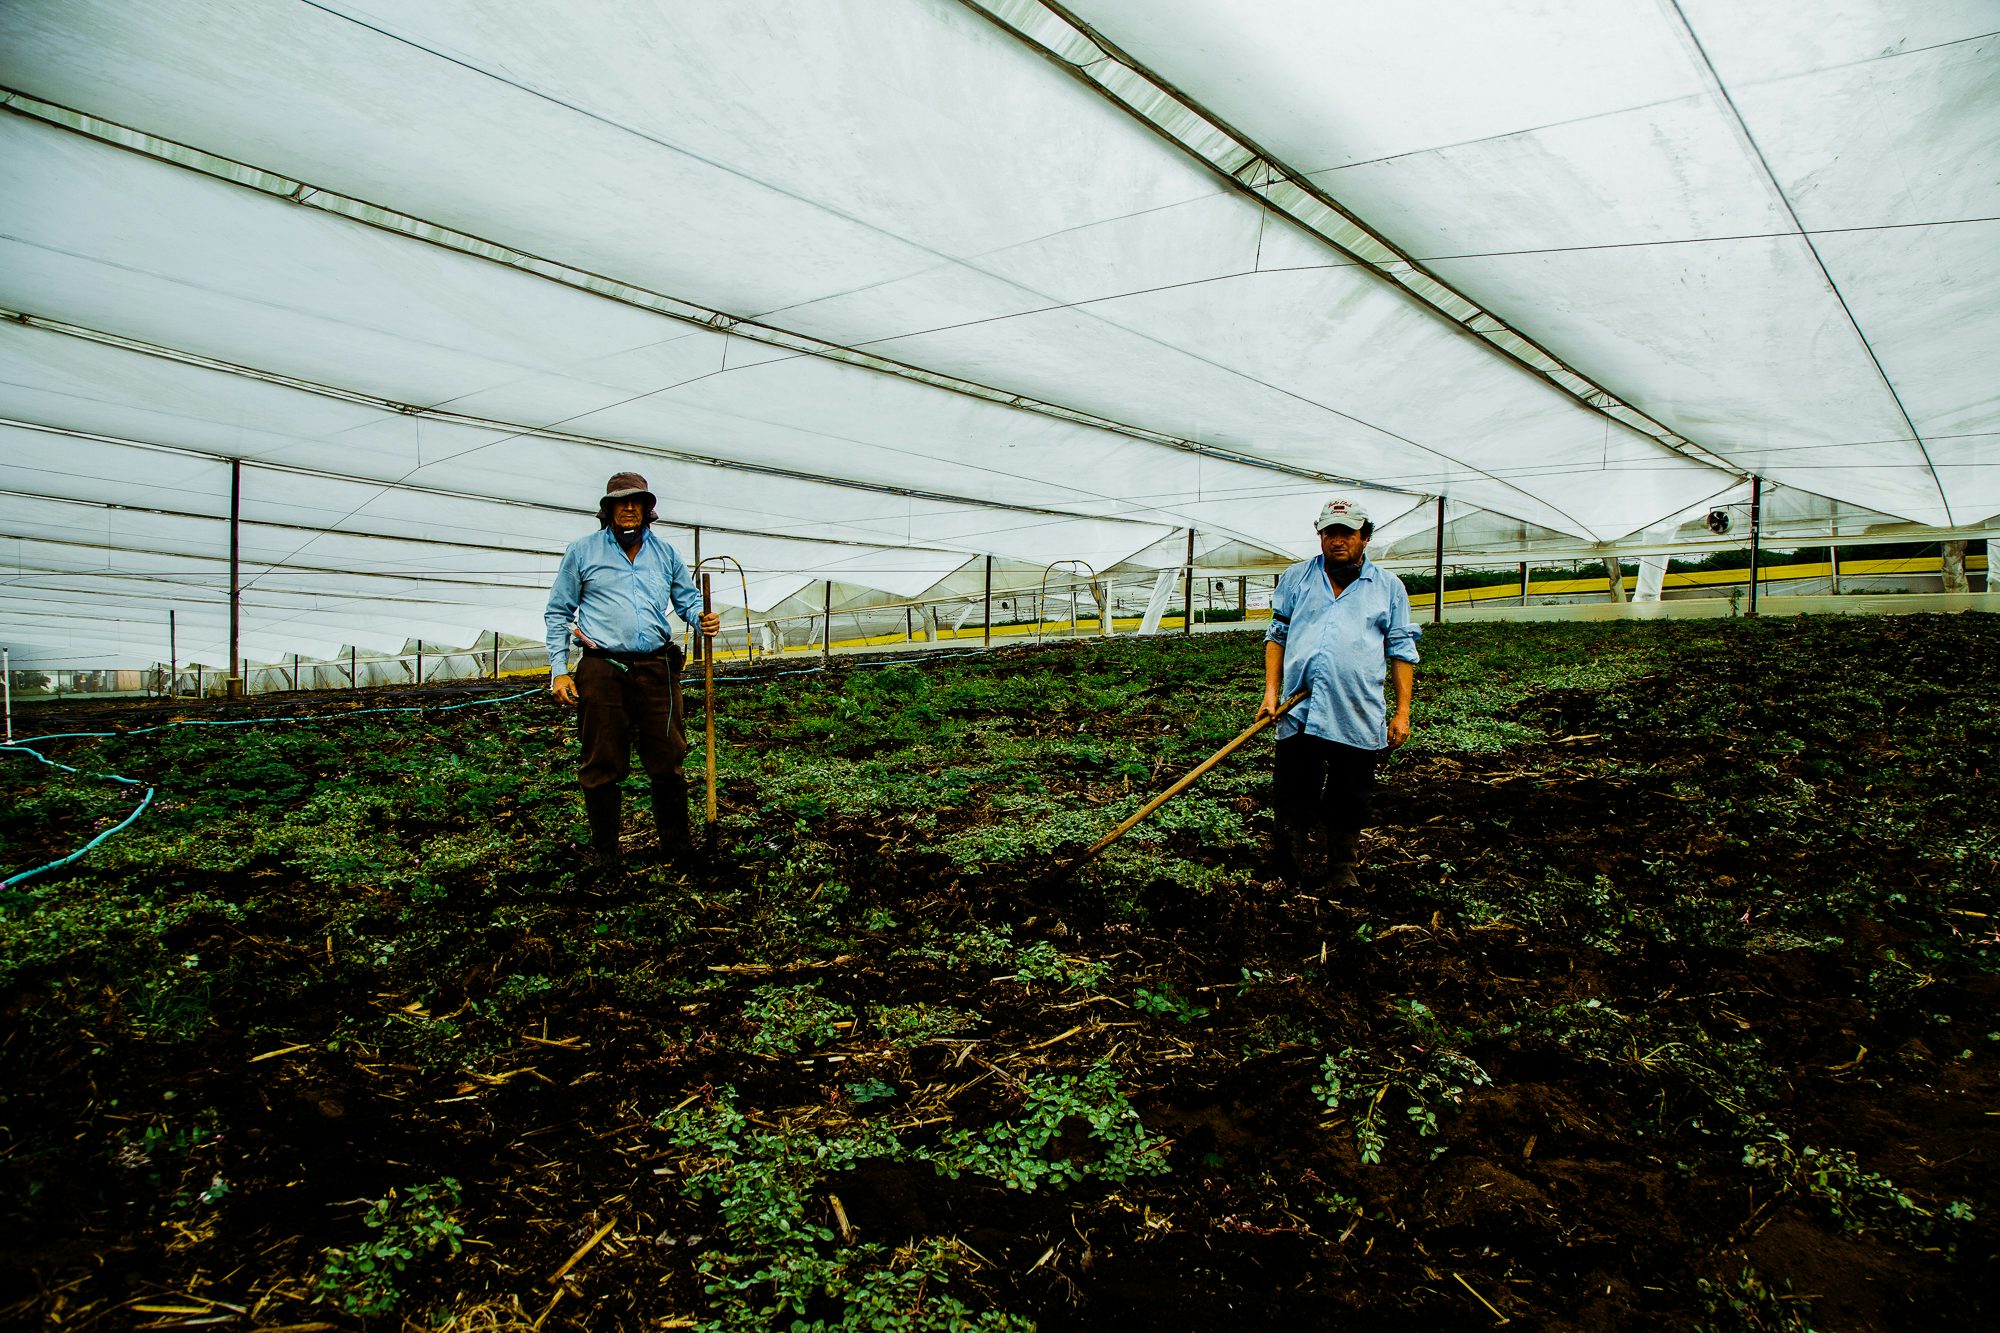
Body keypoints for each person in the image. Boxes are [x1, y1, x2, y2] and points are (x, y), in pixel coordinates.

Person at [546, 472, 720, 876]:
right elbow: (559, 612)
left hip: (657, 667)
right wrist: (559, 670)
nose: (629, 508)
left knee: (668, 756)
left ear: (647, 510)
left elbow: (687, 600)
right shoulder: (582, 552)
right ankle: (606, 853)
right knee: (602, 758)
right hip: (602, 667)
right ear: (607, 510)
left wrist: (700, 618)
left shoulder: (665, 554)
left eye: (636, 502)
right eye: (621, 503)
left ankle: (677, 849)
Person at [1257, 497, 1420, 890]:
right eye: (1330, 532)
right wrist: (1271, 692)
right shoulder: (1296, 578)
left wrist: (1402, 712)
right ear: (1320, 535)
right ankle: (1286, 871)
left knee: (1350, 794)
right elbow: (1277, 636)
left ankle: (1341, 870)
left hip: (1356, 708)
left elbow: (1400, 651)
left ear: (1365, 537)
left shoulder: (1388, 587)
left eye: (1347, 533)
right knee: (1293, 793)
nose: (1337, 540)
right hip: (1300, 708)